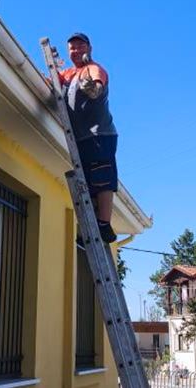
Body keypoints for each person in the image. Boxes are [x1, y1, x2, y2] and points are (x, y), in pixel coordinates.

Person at [57, 32, 119, 244]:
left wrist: (94, 88)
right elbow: (52, 81)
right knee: (87, 182)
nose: (76, 51)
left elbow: (98, 85)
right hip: (80, 137)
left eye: (80, 46)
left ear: (89, 48)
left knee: (103, 178)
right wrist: (53, 67)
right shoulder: (68, 73)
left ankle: (104, 224)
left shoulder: (93, 68)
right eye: (72, 48)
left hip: (100, 133)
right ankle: (92, 225)